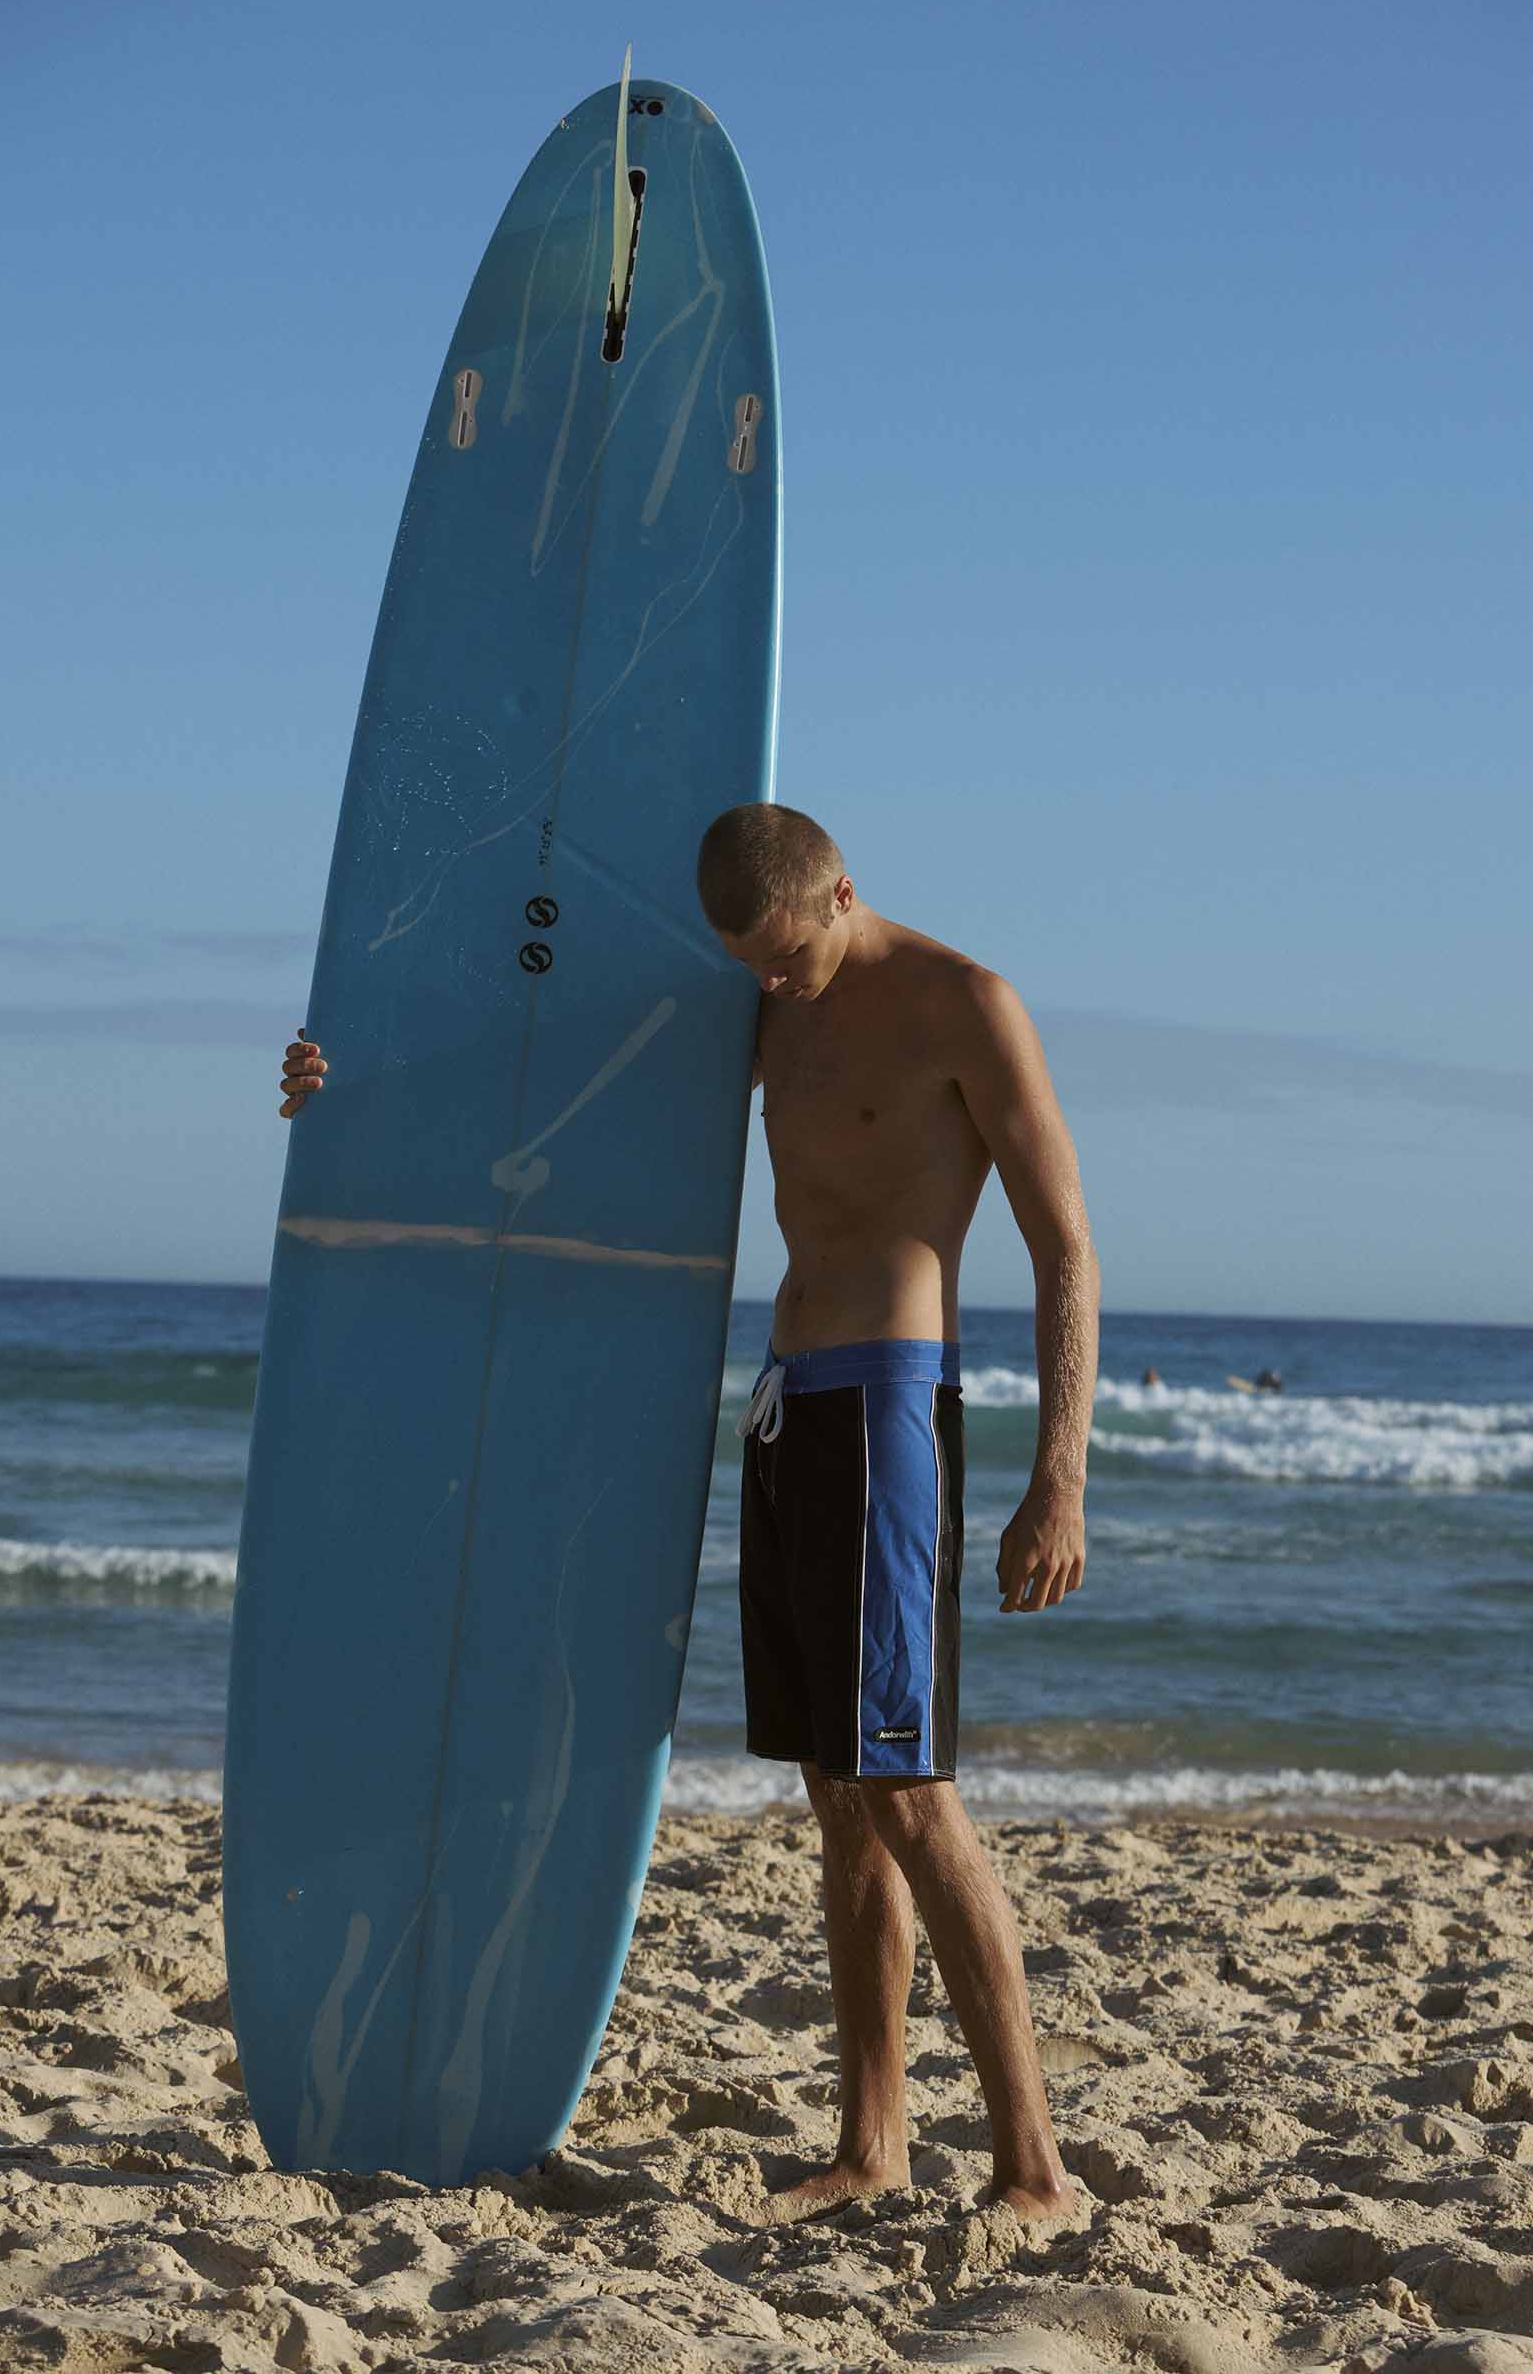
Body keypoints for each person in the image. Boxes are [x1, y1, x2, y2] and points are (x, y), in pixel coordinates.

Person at [276, 803, 1099, 2236]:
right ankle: (875, 2143)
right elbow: (542, 1090)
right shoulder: (759, 1013)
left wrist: (1059, 1477)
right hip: (787, 1408)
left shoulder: (964, 1003)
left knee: (908, 1791)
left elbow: (1064, 1246)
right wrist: (345, 1083)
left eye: (789, 957)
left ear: (842, 889)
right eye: (754, 968)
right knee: (840, 1802)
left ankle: (1032, 2168)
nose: (775, 987)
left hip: (888, 1413)